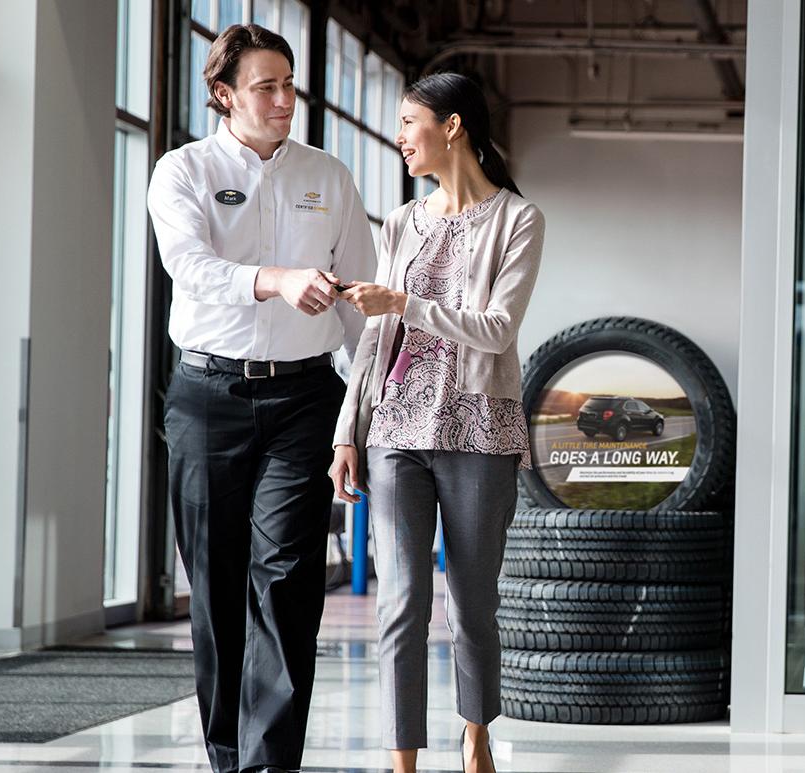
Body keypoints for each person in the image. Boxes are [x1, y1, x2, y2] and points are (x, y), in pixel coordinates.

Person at [147, 23, 374, 773]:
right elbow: (189, 265)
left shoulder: (329, 177)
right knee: (215, 588)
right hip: (206, 395)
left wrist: (358, 417)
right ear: (223, 93)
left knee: (287, 583)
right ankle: (227, 757)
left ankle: (270, 764)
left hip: (306, 400)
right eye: (265, 87)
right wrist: (276, 279)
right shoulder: (183, 171)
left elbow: (359, 308)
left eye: (289, 84)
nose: (284, 100)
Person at [327, 71, 544, 773]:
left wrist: (403, 303)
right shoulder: (400, 222)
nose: (399, 137)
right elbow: (374, 337)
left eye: (407, 122)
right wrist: (347, 430)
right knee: (401, 601)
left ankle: (476, 732)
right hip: (396, 428)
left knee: (472, 604)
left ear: (452, 126)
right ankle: (403, 763)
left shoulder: (519, 220)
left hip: (480, 427)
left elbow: (497, 328)